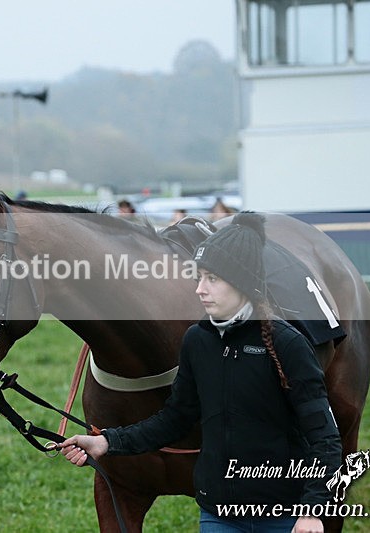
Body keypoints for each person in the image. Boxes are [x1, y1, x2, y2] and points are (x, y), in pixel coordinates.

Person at [59, 212, 341, 533]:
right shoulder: (197, 340)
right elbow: (174, 419)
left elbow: (325, 437)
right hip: (217, 515)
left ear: (243, 282)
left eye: (212, 279)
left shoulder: (289, 345)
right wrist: (107, 442)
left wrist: (312, 509)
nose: (199, 290)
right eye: (199, 277)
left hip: (282, 515)